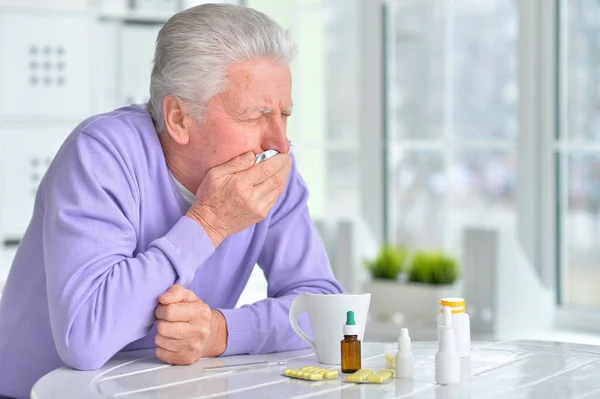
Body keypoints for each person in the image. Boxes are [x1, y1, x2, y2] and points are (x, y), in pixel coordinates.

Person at [0, 4, 342, 398]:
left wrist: (220, 332)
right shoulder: (101, 154)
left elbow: (324, 310)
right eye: (256, 115)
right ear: (179, 118)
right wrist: (209, 223)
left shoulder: (270, 166)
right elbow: (85, 338)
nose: (279, 142)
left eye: (284, 114)